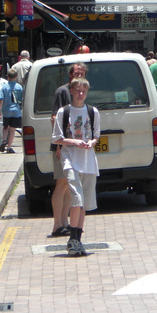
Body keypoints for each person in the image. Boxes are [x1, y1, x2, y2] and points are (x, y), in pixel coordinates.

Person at [52, 77, 100, 257]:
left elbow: (96, 135)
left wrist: (91, 142)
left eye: (84, 91)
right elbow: (56, 138)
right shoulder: (63, 112)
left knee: (84, 203)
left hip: (88, 161)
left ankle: (77, 240)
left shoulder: (93, 111)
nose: (80, 94)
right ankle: (72, 239)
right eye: (77, 90)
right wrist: (74, 141)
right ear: (71, 91)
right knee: (77, 198)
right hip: (70, 159)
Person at [49, 62, 89, 237]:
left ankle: (64, 223)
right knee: (61, 183)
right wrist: (59, 146)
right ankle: (57, 224)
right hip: (62, 145)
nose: (79, 75)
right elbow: (54, 119)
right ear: (70, 74)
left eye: (82, 73)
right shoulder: (63, 91)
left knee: (67, 186)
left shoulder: (80, 91)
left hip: (73, 146)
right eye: (76, 73)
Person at [0, 68, 23, 154]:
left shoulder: (4, 87)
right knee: (12, 129)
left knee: (5, 127)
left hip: (6, 110)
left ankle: (4, 140)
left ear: (7, 77)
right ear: (16, 76)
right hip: (15, 110)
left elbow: (1, 99)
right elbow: (21, 100)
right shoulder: (19, 87)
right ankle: (9, 147)